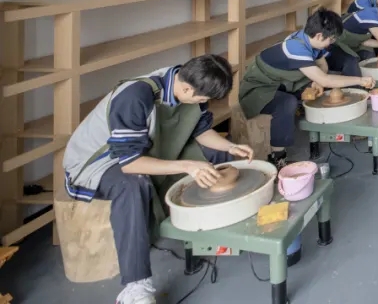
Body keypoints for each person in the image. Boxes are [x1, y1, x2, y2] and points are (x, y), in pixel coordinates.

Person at [62, 55, 251, 304]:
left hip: (149, 147)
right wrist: (187, 166)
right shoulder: (135, 96)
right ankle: (135, 285)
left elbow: (201, 131)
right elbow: (130, 164)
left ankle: (209, 230)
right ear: (187, 89)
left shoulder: (188, 82)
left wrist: (230, 147)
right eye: (202, 99)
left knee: (217, 156)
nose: (203, 103)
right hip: (99, 162)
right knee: (133, 185)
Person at [239, 10, 374, 168]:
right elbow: (325, 78)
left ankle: (327, 125)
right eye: (330, 39)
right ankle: (277, 158)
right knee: (287, 103)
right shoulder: (296, 47)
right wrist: (359, 80)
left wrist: (318, 83)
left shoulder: (310, 39)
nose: (331, 43)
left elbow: (323, 66)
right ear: (319, 36)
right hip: (259, 88)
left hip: (283, 82)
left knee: (316, 89)